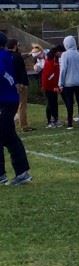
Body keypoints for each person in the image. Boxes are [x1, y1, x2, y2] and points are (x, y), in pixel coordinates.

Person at [0, 31, 32, 185]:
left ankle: (20, 173)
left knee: (7, 136)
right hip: (9, 100)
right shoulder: (8, 56)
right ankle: (19, 172)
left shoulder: (2, 57)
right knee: (8, 135)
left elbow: (2, 74)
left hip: (5, 101)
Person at [58, 35, 79, 128]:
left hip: (68, 82)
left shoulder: (65, 55)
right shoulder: (78, 54)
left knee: (70, 102)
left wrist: (60, 82)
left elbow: (63, 69)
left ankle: (70, 123)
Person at [7, 39, 31, 132]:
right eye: (18, 45)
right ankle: (24, 125)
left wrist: (29, 54)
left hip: (12, 84)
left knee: (15, 105)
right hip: (21, 83)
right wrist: (20, 83)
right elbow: (19, 69)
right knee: (22, 105)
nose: (19, 47)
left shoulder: (8, 56)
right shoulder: (17, 57)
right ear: (15, 46)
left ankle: (16, 122)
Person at [40, 47, 61, 128]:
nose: (61, 54)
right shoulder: (50, 61)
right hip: (49, 86)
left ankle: (55, 119)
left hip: (52, 85)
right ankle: (50, 121)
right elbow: (49, 75)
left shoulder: (55, 60)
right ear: (56, 52)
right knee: (51, 103)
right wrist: (54, 86)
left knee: (54, 102)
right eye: (60, 52)